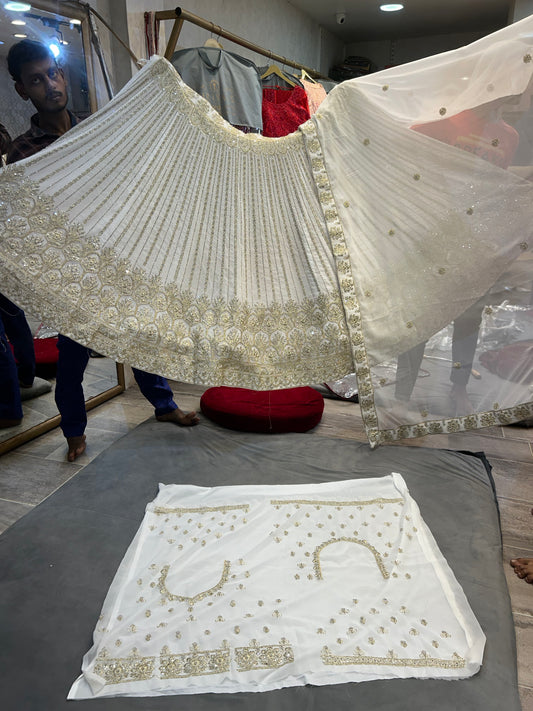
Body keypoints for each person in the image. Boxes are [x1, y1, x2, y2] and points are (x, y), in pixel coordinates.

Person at [6, 39, 198, 460]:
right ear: (22, 90)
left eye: (53, 73)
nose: (50, 85)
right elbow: (26, 222)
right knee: (72, 359)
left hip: (119, 257)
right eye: (36, 80)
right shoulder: (23, 153)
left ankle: (164, 406)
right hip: (73, 273)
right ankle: (74, 432)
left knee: (141, 338)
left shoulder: (98, 129)